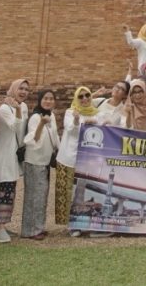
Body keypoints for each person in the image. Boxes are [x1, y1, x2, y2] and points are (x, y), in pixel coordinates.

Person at [0, 78, 29, 244]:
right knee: (5, 188)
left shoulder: (23, 106)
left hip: (15, 152)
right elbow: (15, 126)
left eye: (26, 89)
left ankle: (3, 224)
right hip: (4, 153)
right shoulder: (5, 108)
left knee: (11, 189)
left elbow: (23, 132)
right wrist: (18, 110)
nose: (23, 92)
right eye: (20, 88)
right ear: (13, 89)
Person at [56, 86, 98, 234]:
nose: (85, 99)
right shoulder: (70, 112)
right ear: (76, 99)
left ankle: (78, 223)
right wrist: (76, 119)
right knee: (67, 192)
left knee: (80, 193)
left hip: (86, 160)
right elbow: (70, 129)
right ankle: (70, 224)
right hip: (69, 157)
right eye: (81, 97)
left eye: (87, 95)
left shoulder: (95, 113)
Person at [21, 89, 59, 240]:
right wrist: (42, 124)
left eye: (51, 98)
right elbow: (32, 140)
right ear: (40, 100)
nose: (48, 101)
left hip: (45, 161)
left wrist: (59, 152)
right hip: (34, 161)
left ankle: (39, 227)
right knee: (33, 196)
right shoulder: (36, 117)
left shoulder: (52, 116)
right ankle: (30, 230)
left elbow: (55, 137)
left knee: (42, 194)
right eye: (45, 98)